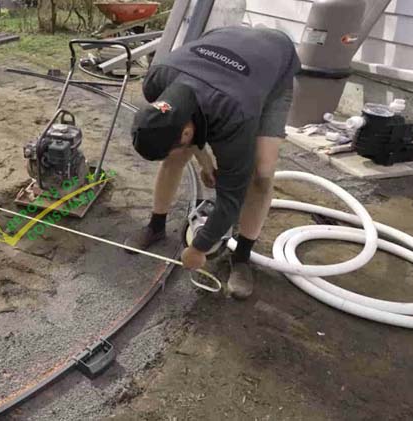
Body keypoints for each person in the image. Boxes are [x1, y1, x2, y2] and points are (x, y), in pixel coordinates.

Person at [125, 26, 301, 299]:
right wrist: (204, 160)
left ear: (186, 132)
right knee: (175, 155)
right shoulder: (157, 80)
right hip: (222, 44)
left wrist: (199, 248)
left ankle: (241, 256)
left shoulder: (235, 115)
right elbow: (185, 124)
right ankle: (156, 226)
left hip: (272, 67)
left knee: (262, 173)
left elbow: (232, 195)